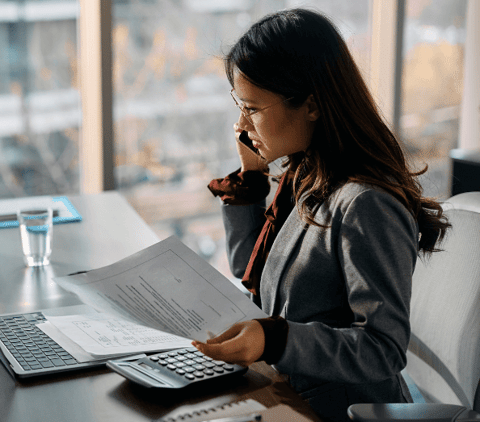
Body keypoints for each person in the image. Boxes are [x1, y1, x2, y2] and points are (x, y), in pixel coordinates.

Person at [192, 8, 451, 422]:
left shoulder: (366, 204)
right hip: (286, 396)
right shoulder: (306, 175)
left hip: (337, 412)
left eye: (253, 108)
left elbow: (382, 350)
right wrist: (252, 178)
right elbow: (260, 282)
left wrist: (276, 340)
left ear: (311, 105)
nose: (241, 123)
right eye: (240, 106)